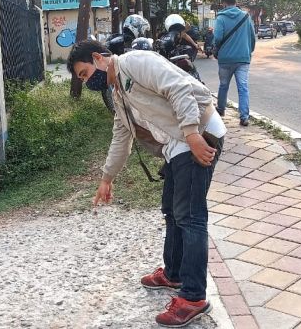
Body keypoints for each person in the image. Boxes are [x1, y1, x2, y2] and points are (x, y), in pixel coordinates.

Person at [67, 40, 226, 327]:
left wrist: (191, 135)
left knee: (190, 217)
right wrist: (106, 179)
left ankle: (193, 297)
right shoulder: (119, 94)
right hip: (178, 145)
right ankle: (174, 273)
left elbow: (179, 88)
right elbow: (121, 137)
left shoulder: (135, 62)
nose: (87, 82)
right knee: (171, 211)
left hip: (198, 135)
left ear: (97, 58)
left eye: (84, 74)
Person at [214, 0, 256, 126]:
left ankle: (221, 110)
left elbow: (218, 38)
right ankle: (244, 117)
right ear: (235, 1)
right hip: (243, 58)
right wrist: (248, 52)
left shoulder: (220, 18)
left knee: (223, 85)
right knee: (243, 87)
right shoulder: (246, 16)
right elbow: (252, 37)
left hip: (225, 58)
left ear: (224, 3)